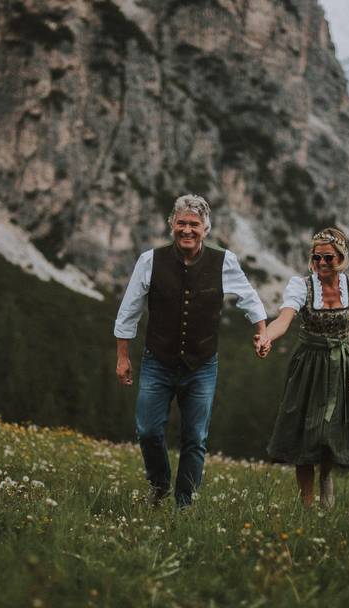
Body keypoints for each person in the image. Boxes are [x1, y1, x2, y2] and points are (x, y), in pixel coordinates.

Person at [114, 194, 268, 507]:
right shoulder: (150, 260)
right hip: (158, 361)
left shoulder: (224, 261)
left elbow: (250, 299)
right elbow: (129, 309)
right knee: (147, 430)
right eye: (181, 223)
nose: (187, 229)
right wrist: (122, 357)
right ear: (171, 224)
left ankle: (185, 504)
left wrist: (262, 331)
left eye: (194, 224)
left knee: (195, 438)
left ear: (206, 228)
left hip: (202, 365)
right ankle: (159, 487)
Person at [255, 227, 349, 508]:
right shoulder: (302, 286)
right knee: (305, 430)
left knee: (332, 428)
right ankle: (307, 502)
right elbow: (285, 318)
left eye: (328, 258)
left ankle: (326, 480)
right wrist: (267, 336)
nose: (321, 264)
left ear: (341, 258)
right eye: (316, 258)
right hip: (308, 364)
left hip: (341, 364)